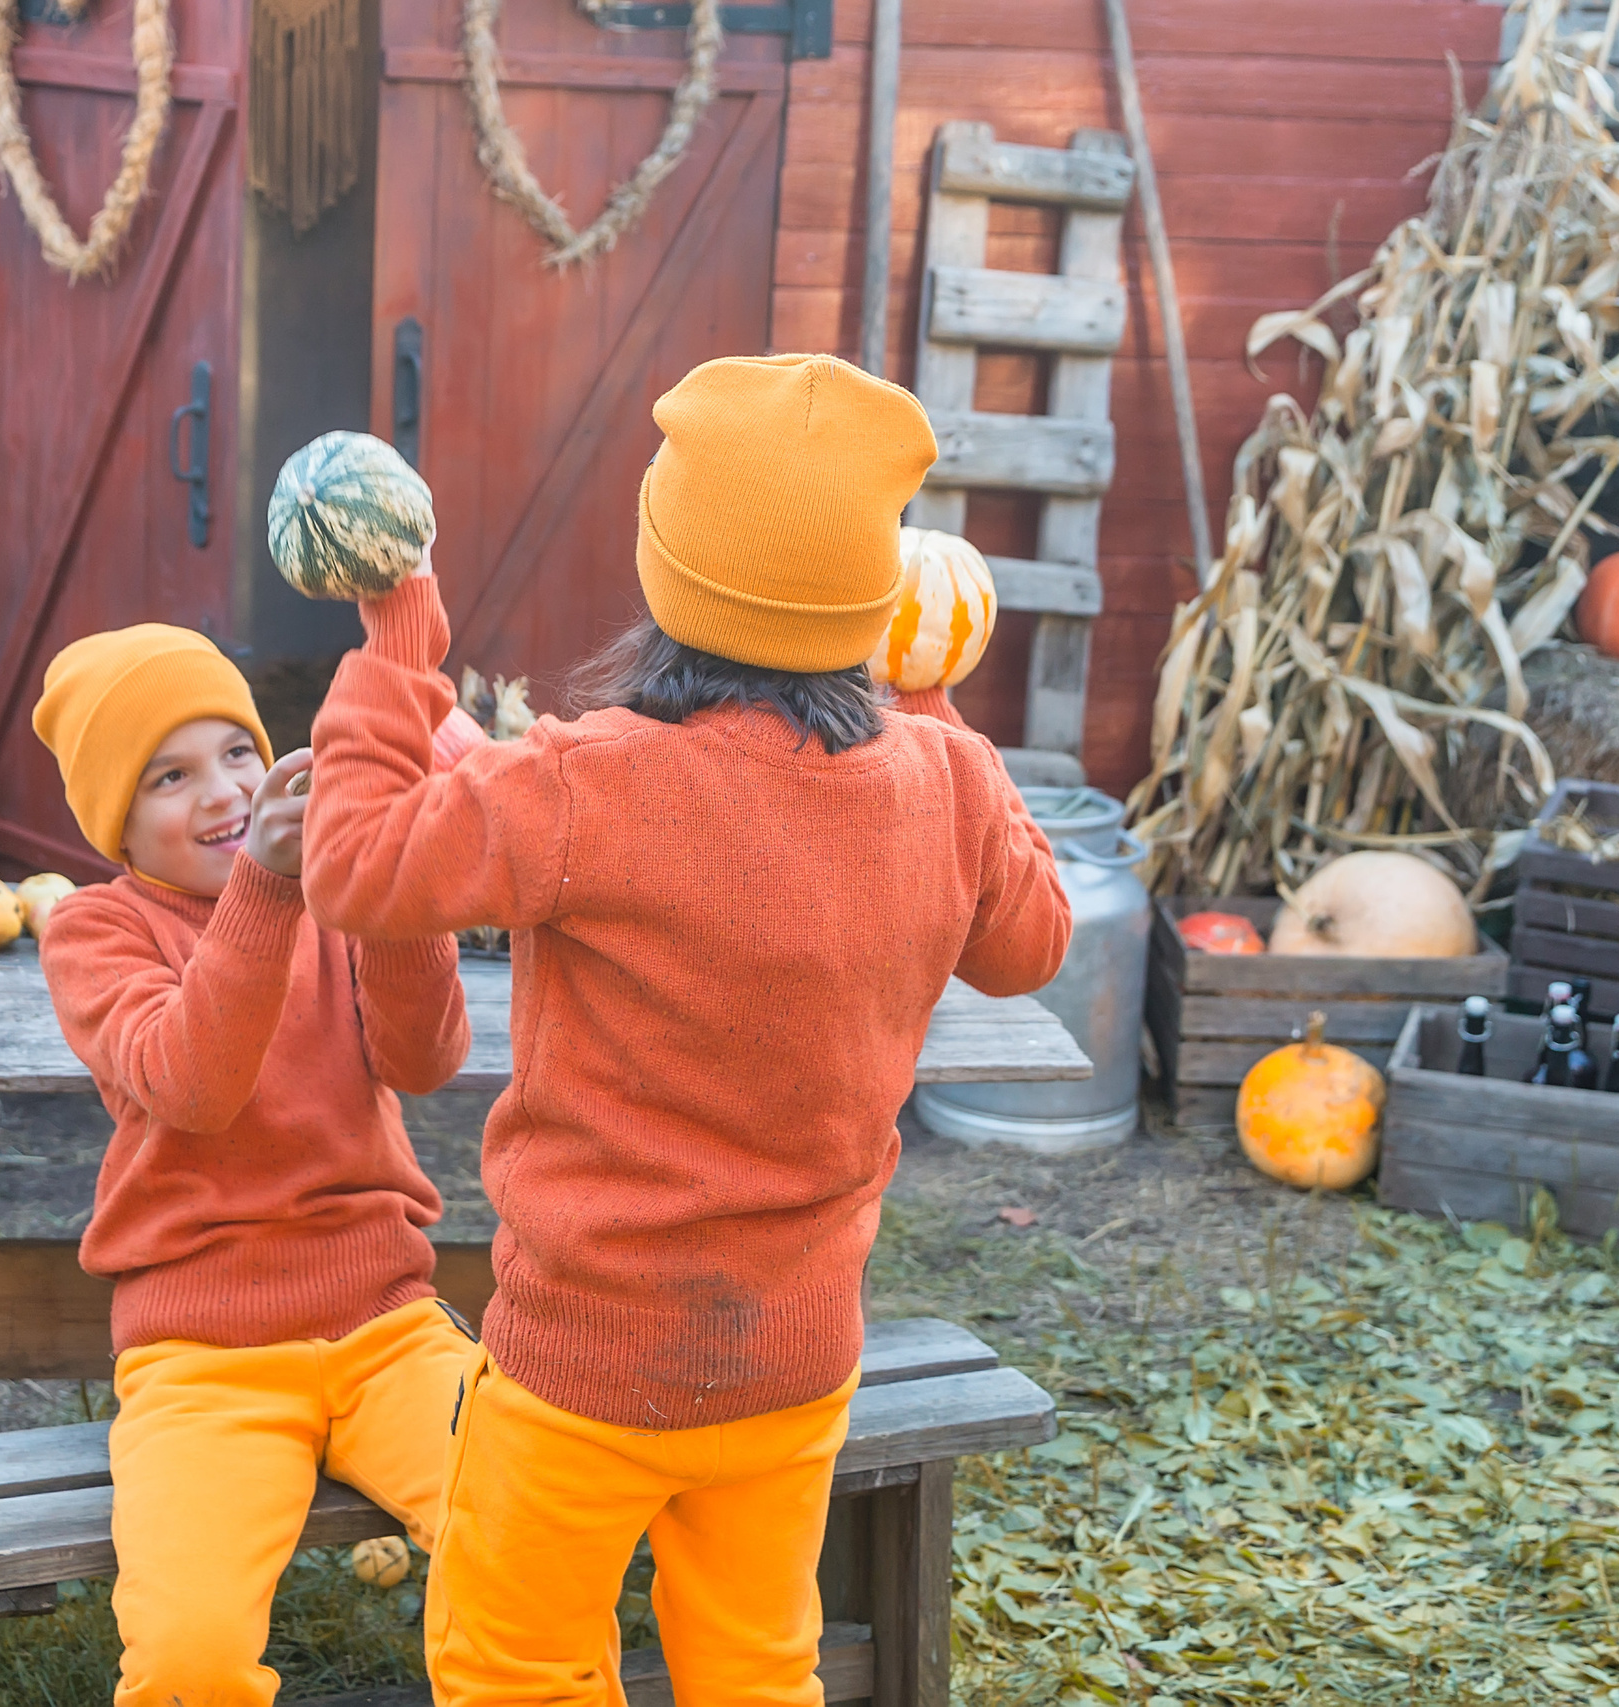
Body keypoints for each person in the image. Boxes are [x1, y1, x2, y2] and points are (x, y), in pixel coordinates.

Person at [300, 354, 1073, 1704]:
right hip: (789, 1361)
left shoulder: (590, 780)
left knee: (518, 1668)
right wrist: (946, 717)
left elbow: (357, 865)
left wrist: (391, 661)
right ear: (872, 591)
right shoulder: (941, 778)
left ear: (672, 573)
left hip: (583, 1369)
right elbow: (1029, 944)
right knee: (757, 1667)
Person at [31, 624, 479, 1707]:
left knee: (529, 1532)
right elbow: (192, 1083)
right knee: (187, 1657)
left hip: (387, 1325)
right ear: (115, 822)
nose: (225, 791)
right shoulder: (96, 931)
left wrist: (399, 874)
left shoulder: (335, 892)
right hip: (203, 1358)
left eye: (237, 751)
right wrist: (271, 889)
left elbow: (425, 1061)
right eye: (170, 775)